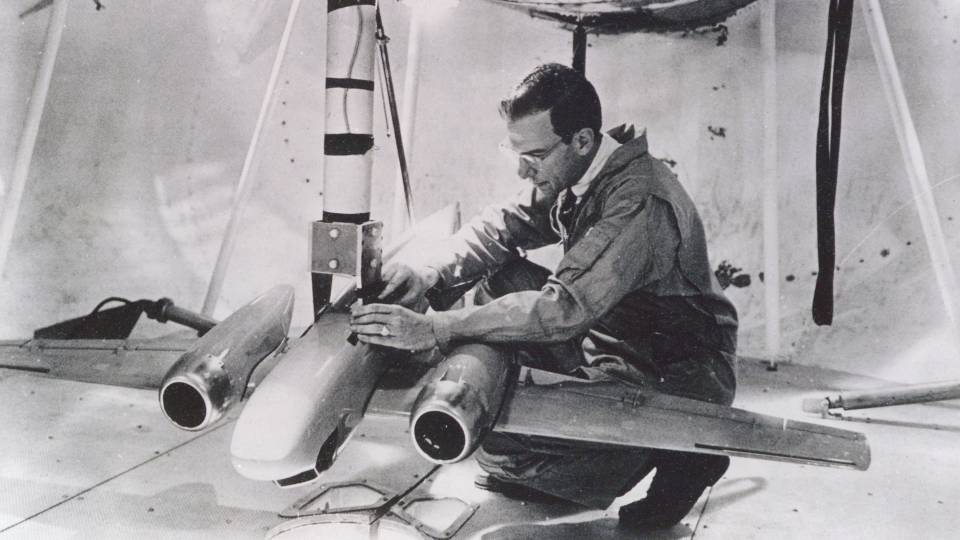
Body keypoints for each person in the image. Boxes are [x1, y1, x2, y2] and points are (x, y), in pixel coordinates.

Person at [350, 63, 738, 529]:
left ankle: (683, 451)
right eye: (515, 152)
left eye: (533, 155)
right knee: (498, 281)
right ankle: (622, 444)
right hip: (614, 331)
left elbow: (561, 309)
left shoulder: (637, 198)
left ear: (581, 140)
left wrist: (436, 327)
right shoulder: (583, 171)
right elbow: (502, 226)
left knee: (497, 446)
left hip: (676, 369)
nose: (521, 169)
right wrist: (427, 272)